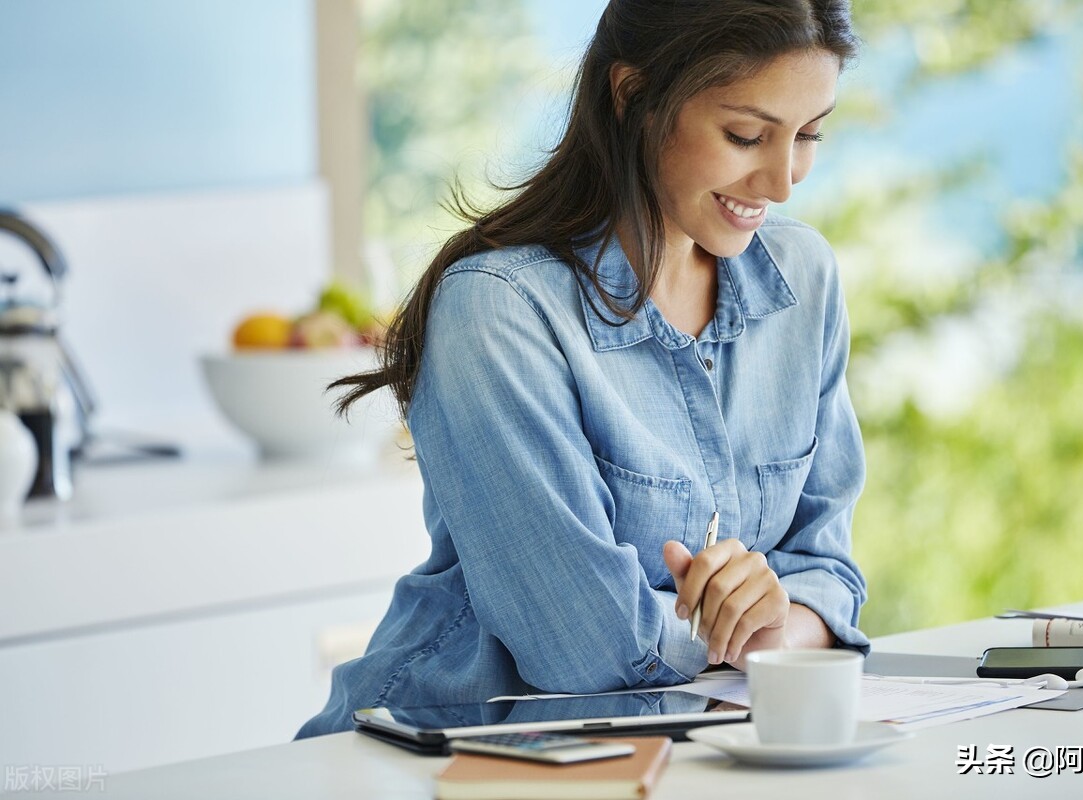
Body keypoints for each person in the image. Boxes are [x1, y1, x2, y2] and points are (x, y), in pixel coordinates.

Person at [297, 0, 868, 738]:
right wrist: (747, 628)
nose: (783, 181)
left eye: (810, 135)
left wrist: (778, 628)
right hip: (442, 756)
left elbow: (832, 576)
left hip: (681, 751)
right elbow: (580, 648)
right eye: (746, 135)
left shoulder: (802, 278)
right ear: (632, 95)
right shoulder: (498, 310)